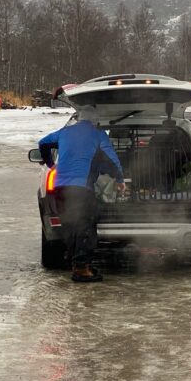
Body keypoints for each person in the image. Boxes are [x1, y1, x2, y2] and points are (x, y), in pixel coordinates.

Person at [38, 106, 125, 282]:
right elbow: (111, 159)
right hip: (81, 189)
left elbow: (43, 143)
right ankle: (81, 269)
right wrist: (120, 179)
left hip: (60, 187)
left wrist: (49, 163)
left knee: (70, 225)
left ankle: (77, 263)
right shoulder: (98, 134)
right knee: (86, 227)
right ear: (95, 120)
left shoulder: (65, 132)